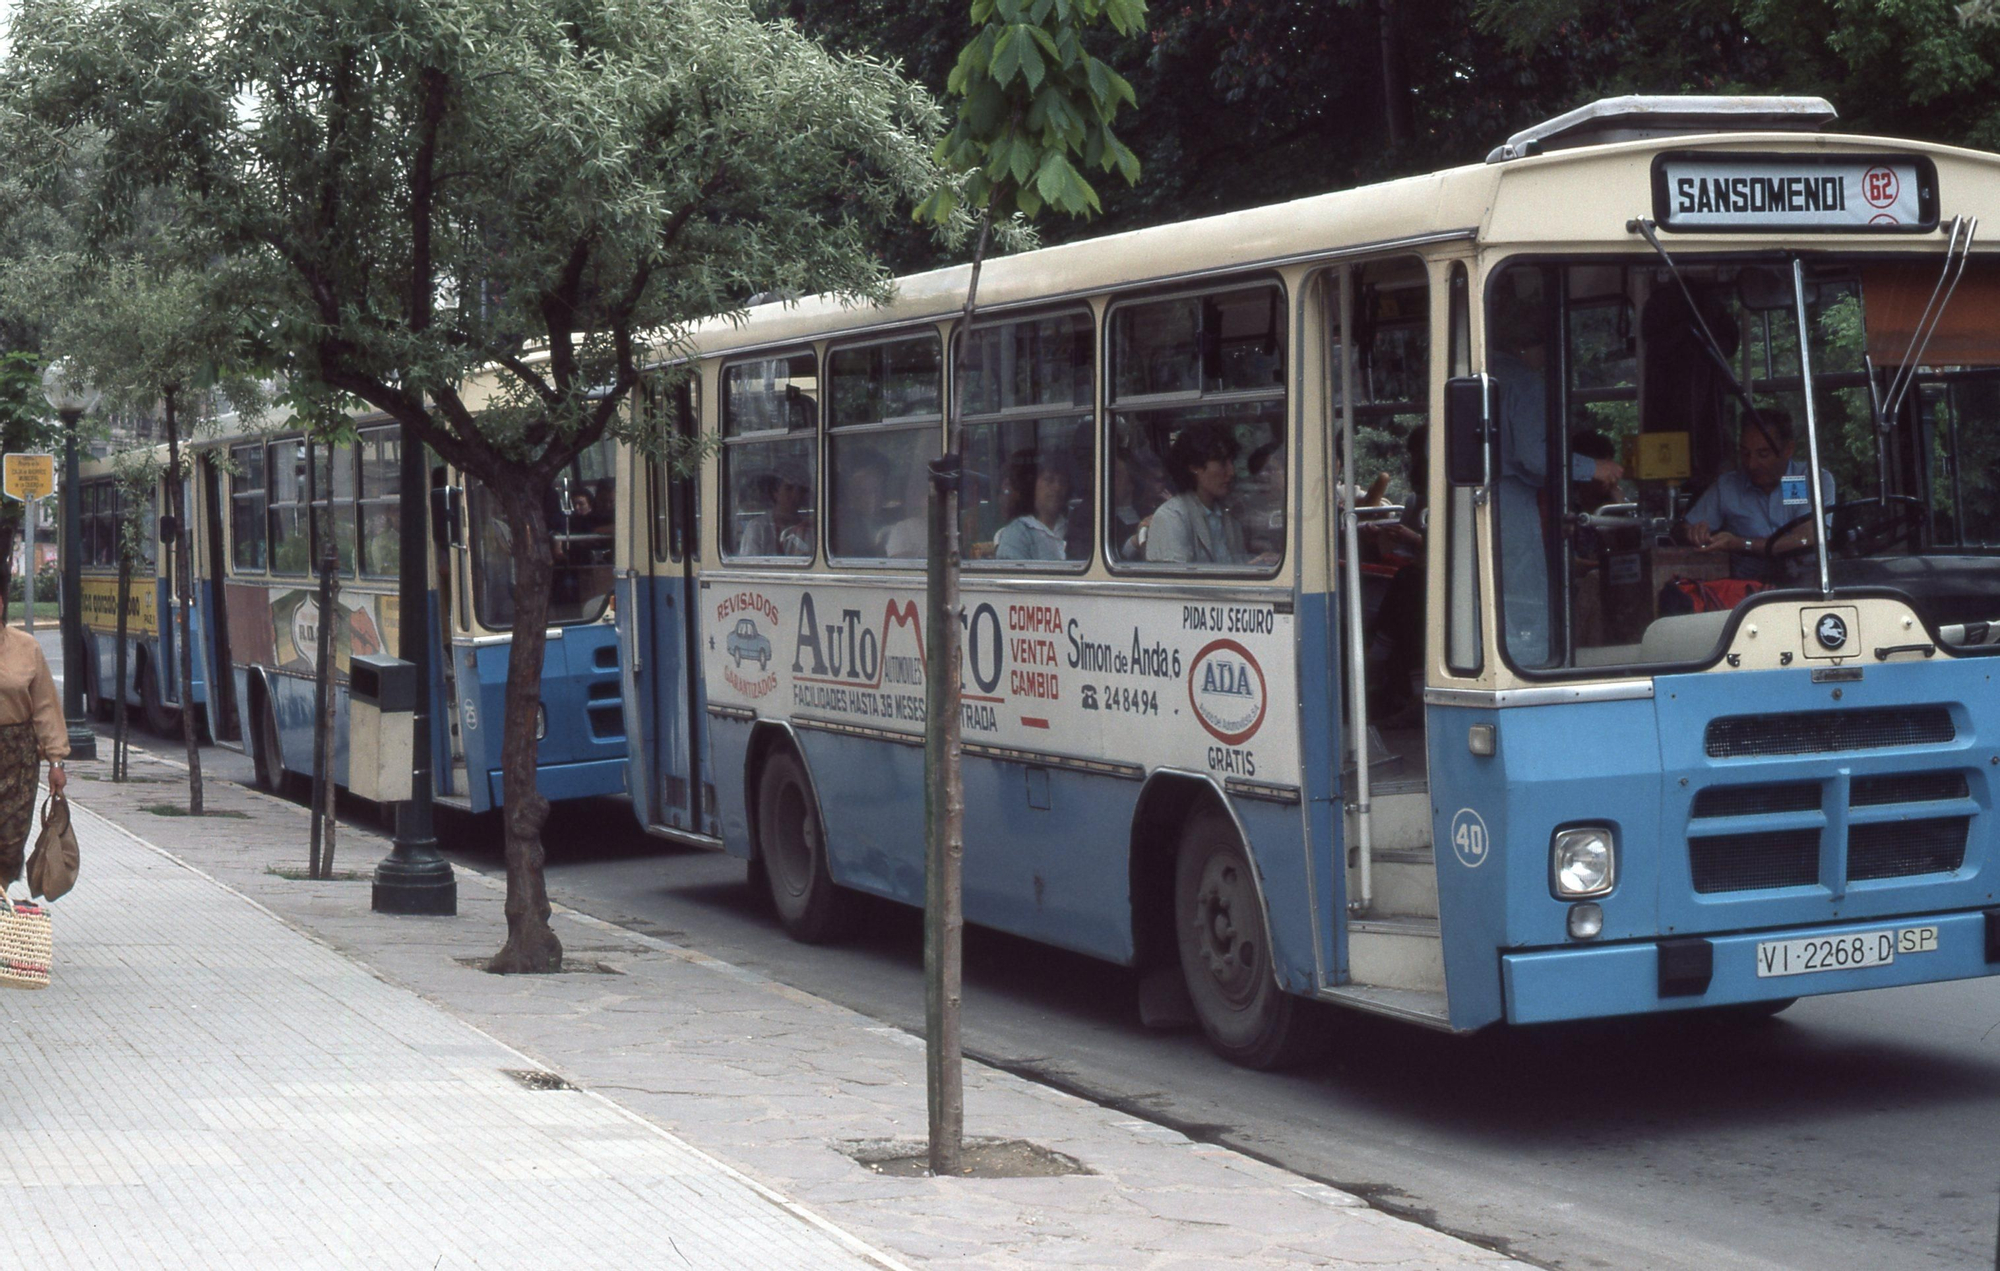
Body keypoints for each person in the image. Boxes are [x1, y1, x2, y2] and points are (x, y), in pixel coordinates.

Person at [1491, 280, 1622, 665]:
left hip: (1478, 495)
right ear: (1534, 345)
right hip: (1511, 498)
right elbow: (1533, 456)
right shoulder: (1525, 382)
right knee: (1522, 588)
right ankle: (1531, 662)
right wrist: (1592, 467)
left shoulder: (1486, 371)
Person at [1680, 408, 1833, 582]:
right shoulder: (1727, 486)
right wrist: (1695, 533)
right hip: (1748, 594)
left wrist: (1740, 544)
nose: (1752, 464)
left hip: (1807, 587)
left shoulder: (1811, 479)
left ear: (1788, 449)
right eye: (1745, 453)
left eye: (1763, 454)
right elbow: (1684, 529)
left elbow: (1807, 538)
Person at [0, 596, 68, 893]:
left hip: (18, 760)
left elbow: (45, 707)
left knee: (10, 842)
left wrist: (56, 761)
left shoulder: (27, 647)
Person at [1146, 424, 1272, 567]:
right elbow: (1176, 584)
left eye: (1231, 462)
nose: (1231, 472)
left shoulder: (1229, 514)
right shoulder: (1172, 517)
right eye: (1222, 462)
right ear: (1194, 467)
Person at [993, 451, 1071, 561]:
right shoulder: (1017, 533)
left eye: (1062, 482)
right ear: (1033, 486)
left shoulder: (1074, 524)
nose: (1057, 487)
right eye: (1049, 480)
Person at [737, 463, 814, 558]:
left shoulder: (809, 528)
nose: (796, 495)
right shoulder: (757, 528)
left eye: (800, 490)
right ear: (775, 492)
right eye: (789, 488)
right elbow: (749, 565)